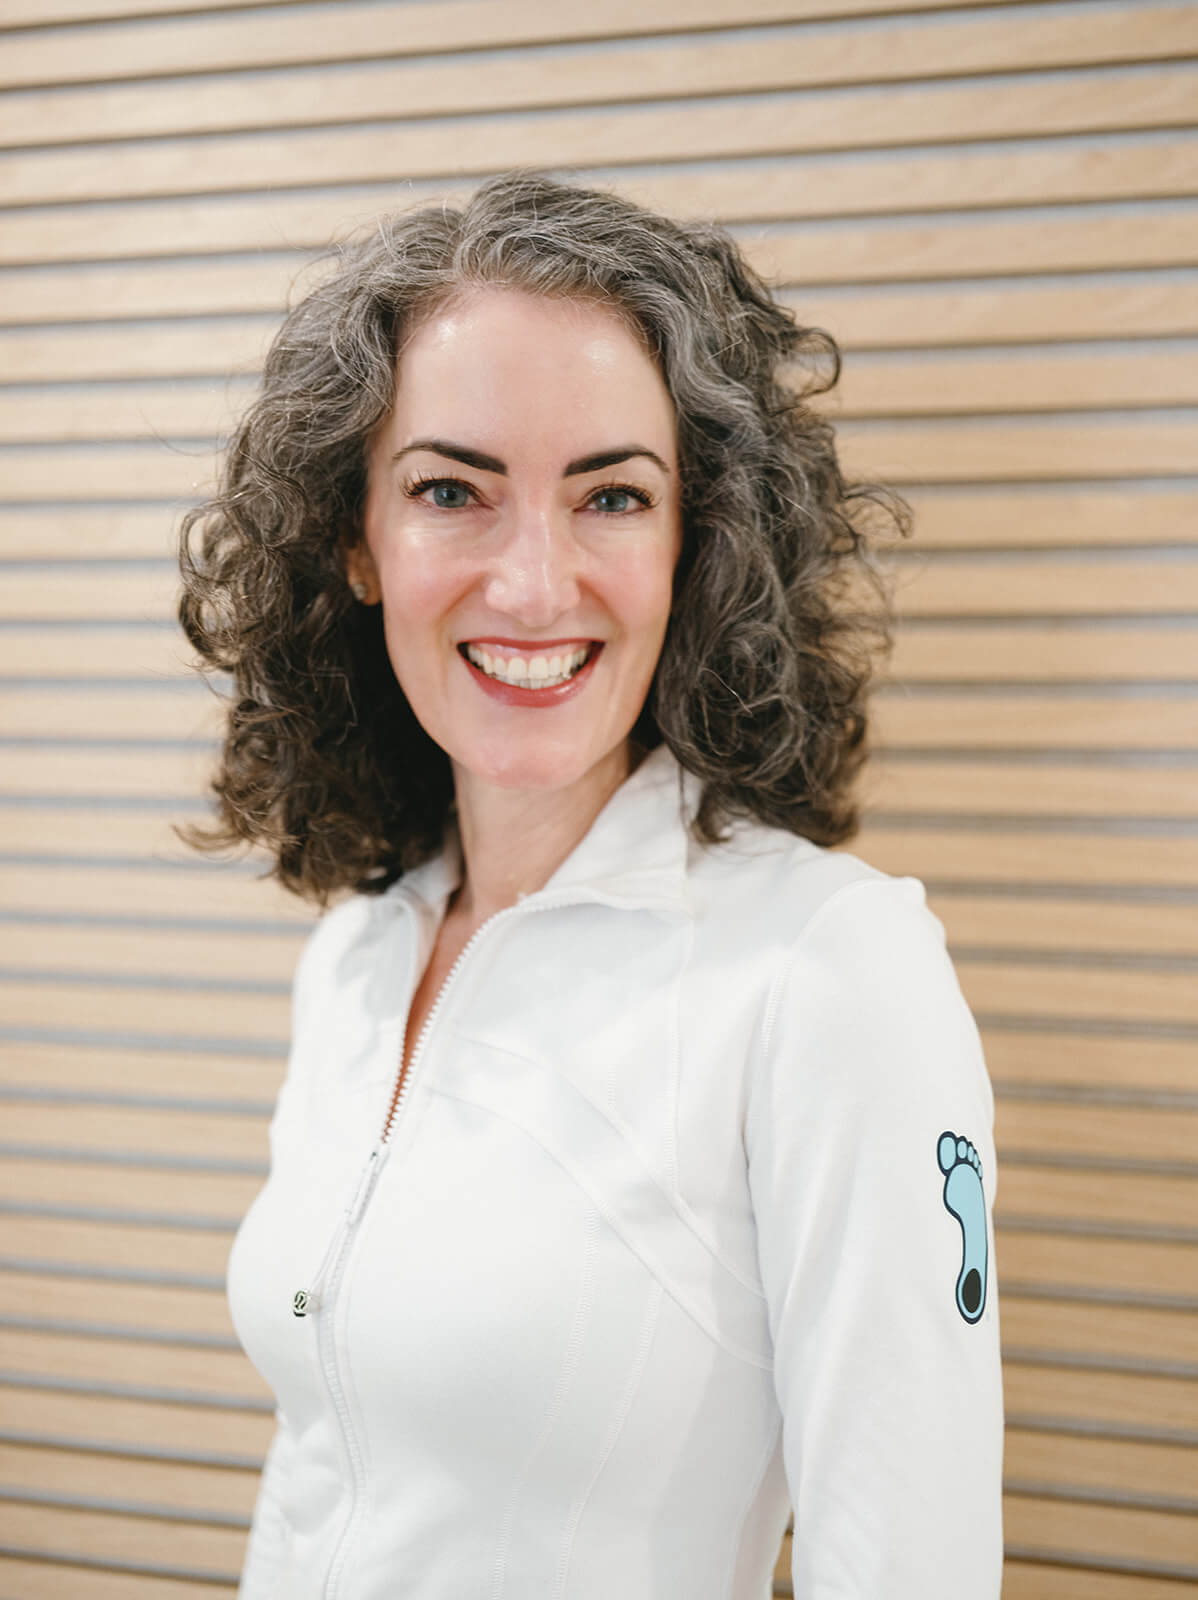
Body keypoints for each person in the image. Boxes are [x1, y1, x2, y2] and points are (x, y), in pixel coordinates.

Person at [179, 170, 1003, 1599]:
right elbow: (319, 1474)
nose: (533, 583)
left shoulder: (827, 969)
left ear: (699, 545)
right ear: (355, 545)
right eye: (452, 491)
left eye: (610, 496)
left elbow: (910, 1560)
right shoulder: (360, 954)